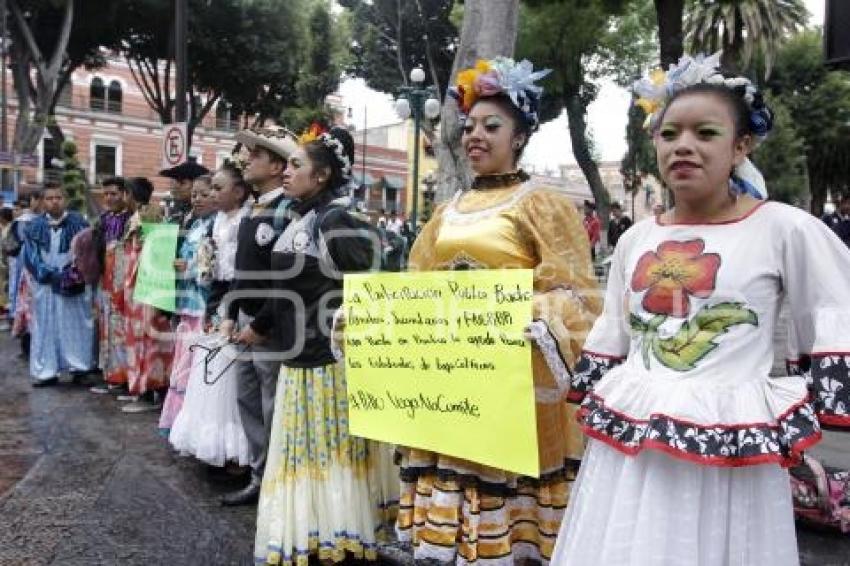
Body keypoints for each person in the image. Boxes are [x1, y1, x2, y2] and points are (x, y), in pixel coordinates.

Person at [552, 53, 850, 565]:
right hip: (632, 447)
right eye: (669, 135)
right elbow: (616, 326)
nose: (683, 146)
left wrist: (822, 394)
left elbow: (831, 305)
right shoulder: (637, 238)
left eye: (705, 133)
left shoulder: (784, 228)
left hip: (730, 444)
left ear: (741, 146)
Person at [396, 57, 600, 565]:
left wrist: (523, 310)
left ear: (520, 137)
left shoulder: (543, 203)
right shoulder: (447, 210)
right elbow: (416, 283)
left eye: (492, 126)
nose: (475, 137)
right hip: (451, 378)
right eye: (469, 128)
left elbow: (576, 292)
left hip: (513, 382)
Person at [253, 125, 394, 565]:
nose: (286, 173)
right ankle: (317, 531)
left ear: (321, 176)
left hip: (326, 365)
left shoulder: (335, 221)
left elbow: (378, 279)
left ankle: (338, 532)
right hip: (298, 361)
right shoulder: (301, 219)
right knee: (306, 452)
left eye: (296, 165)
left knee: (327, 452)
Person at [218, 126, 297, 506]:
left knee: (271, 405)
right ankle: (259, 475)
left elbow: (286, 281)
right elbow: (240, 270)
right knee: (247, 402)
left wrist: (261, 326)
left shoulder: (288, 210)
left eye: (257, 156)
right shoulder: (252, 208)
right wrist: (231, 313)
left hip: (271, 329)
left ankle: (277, 484)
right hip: (246, 327)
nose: (248, 160)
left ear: (277, 165)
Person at [168, 163, 253, 467]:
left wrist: (230, 307)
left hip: (238, 299)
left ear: (240, 191)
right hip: (218, 297)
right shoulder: (216, 221)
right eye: (212, 188)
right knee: (211, 368)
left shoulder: (247, 220)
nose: (213, 194)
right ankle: (213, 444)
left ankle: (237, 451)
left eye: (219, 188)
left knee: (231, 374)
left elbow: (240, 272)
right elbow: (213, 270)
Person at [158, 175, 217, 434]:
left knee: (194, 366)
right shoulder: (195, 225)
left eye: (204, 194)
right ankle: (179, 422)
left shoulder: (216, 226)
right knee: (183, 362)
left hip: (203, 303)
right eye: (194, 194)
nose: (197, 199)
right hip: (187, 302)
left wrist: (190, 267)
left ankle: (194, 427)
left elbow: (212, 267)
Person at [22, 183, 95, 386]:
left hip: (73, 283)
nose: (54, 202)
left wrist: (74, 273)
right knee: (45, 326)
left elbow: (87, 253)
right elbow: (30, 257)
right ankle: (46, 371)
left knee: (76, 325)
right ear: (43, 202)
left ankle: (79, 367)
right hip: (45, 285)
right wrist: (48, 274)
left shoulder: (79, 223)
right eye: (49, 198)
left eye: (58, 197)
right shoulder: (33, 227)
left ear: (65, 199)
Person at [121, 177, 173, 413]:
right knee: (139, 339)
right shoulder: (140, 216)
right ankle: (141, 387)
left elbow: (153, 251)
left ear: (130, 195)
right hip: (136, 287)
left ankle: (149, 390)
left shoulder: (149, 215)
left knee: (148, 340)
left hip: (146, 284)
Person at [90, 177, 133, 394]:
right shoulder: (102, 220)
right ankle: (110, 375)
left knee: (122, 328)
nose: (109, 198)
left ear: (124, 194)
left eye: (114, 193)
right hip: (105, 281)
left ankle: (125, 376)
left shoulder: (132, 219)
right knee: (106, 326)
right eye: (106, 194)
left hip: (124, 281)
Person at [159, 158, 209, 225]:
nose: (176, 187)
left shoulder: (205, 215)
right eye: (174, 182)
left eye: (182, 183)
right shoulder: (179, 210)